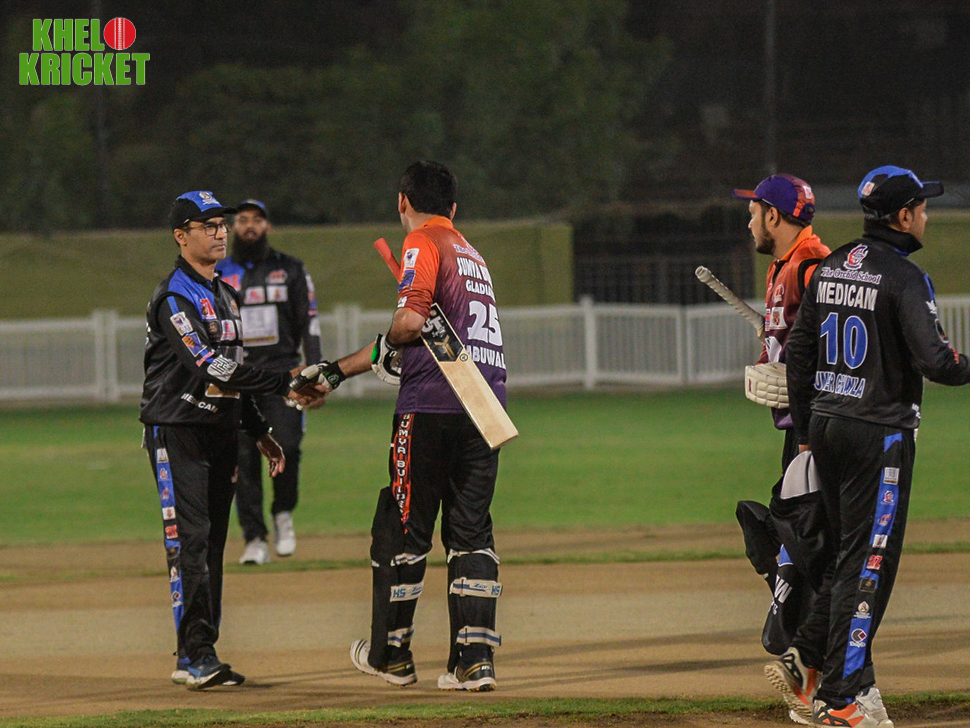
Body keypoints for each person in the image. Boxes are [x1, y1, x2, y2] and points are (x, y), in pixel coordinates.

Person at [767, 166, 970, 727]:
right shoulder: (905, 277)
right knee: (870, 565)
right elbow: (938, 361)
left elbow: (799, 353)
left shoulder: (833, 265)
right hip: (877, 435)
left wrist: (806, 429)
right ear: (903, 216)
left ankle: (807, 659)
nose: (925, 216)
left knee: (846, 557)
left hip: (828, 429)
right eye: (921, 208)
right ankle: (842, 698)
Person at [301, 161, 507, 691]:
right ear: (454, 207)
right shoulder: (472, 254)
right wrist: (336, 371)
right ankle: (475, 662)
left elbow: (410, 324)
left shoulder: (422, 241)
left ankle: (391, 656)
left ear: (402, 202)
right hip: (484, 406)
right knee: (471, 534)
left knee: (402, 527)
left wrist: (392, 345)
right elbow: (418, 335)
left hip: (431, 406)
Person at [140, 191, 325, 689]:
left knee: (213, 545)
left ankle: (199, 653)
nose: (220, 232)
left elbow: (232, 378)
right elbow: (209, 365)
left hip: (220, 432)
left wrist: (259, 430)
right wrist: (284, 381)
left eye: (221, 224)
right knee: (191, 542)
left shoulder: (224, 294)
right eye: (208, 226)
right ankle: (196, 655)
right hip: (177, 431)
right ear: (181, 236)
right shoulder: (175, 296)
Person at [731, 174, 831, 726]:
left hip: (817, 431)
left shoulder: (812, 265)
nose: (749, 221)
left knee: (814, 550)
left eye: (754, 212)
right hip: (799, 429)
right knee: (799, 540)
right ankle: (813, 676)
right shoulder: (784, 266)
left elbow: (833, 348)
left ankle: (825, 685)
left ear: (774, 215)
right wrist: (774, 357)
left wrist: (806, 404)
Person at [215, 199, 322, 565]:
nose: (249, 226)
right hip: (238, 377)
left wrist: (315, 373)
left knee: (288, 445)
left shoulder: (290, 269)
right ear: (233, 227)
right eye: (242, 219)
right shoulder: (218, 272)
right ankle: (254, 537)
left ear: (268, 227)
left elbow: (309, 321)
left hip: (284, 374)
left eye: (257, 220)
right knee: (242, 457)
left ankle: (283, 513)